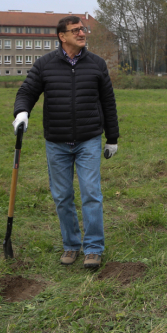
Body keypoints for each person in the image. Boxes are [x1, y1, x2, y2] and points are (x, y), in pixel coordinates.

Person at [12, 16, 120, 270]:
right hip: (57, 143)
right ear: (62, 36)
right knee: (62, 196)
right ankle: (71, 244)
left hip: (89, 140)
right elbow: (27, 92)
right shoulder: (44, 65)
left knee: (91, 194)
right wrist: (22, 112)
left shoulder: (97, 64)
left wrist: (112, 138)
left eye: (83, 29)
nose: (82, 33)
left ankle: (93, 248)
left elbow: (108, 102)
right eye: (76, 30)